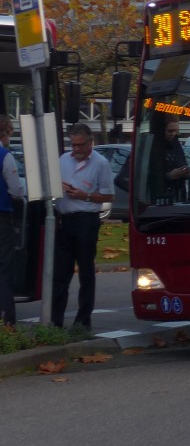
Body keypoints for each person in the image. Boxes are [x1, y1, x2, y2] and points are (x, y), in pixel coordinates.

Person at [51, 123, 114, 331]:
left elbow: (108, 196)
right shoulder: (63, 159)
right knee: (60, 272)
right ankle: (55, 321)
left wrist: (84, 195)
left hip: (86, 220)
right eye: (73, 145)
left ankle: (83, 321)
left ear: (90, 143)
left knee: (86, 270)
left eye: (80, 145)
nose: (76, 149)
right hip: (64, 219)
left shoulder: (100, 163)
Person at [0, 115, 26, 326]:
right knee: (4, 267)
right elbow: (16, 190)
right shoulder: (5, 156)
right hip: (2, 218)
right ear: (5, 133)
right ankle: (7, 319)